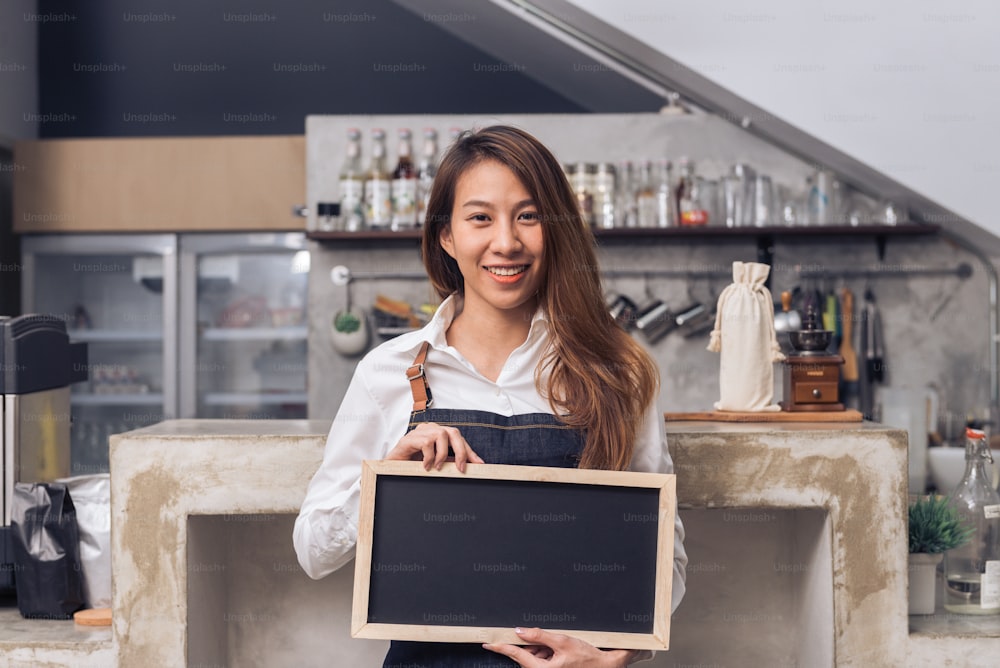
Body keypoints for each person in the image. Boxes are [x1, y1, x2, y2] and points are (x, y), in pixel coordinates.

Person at [294, 125, 687, 667]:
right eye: (481, 217)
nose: (506, 241)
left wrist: (617, 659)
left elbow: (666, 565)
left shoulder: (618, 372)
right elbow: (313, 550)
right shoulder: (386, 372)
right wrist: (385, 479)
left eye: (528, 216)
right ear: (446, 236)